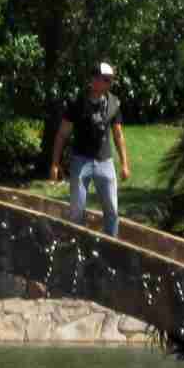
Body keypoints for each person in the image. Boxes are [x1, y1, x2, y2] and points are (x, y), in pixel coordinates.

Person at [47, 62, 131, 237]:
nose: (109, 83)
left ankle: (112, 245)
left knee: (112, 210)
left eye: (110, 80)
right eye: (105, 79)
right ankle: (75, 243)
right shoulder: (76, 103)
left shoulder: (113, 103)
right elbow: (62, 134)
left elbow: (118, 135)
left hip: (105, 161)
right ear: (94, 80)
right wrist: (55, 164)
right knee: (77, 211)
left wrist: (124, 164)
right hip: (81, 161)